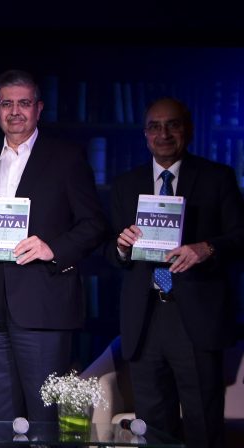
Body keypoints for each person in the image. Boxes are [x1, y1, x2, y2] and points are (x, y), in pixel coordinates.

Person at [0, 69, 107, 424]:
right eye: (7, 104)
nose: (15, 111)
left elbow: (94, 225)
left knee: (45, 421)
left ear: (39, 108)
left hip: (44, 307)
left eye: (24, 103)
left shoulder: (67, 158)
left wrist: (52, 249)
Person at [109, 97, 244, 447]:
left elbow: (240, 237)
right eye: (154, 127)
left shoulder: (217, 178)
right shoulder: (126, 184)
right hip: (145, 320)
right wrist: (121, 247)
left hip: (195, 320)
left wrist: (206, 248)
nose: (164, 134)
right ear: (145, 135)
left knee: (203, 426)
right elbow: (110, 251)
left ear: (188, 130)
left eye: (173, 125)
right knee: (153, 430)